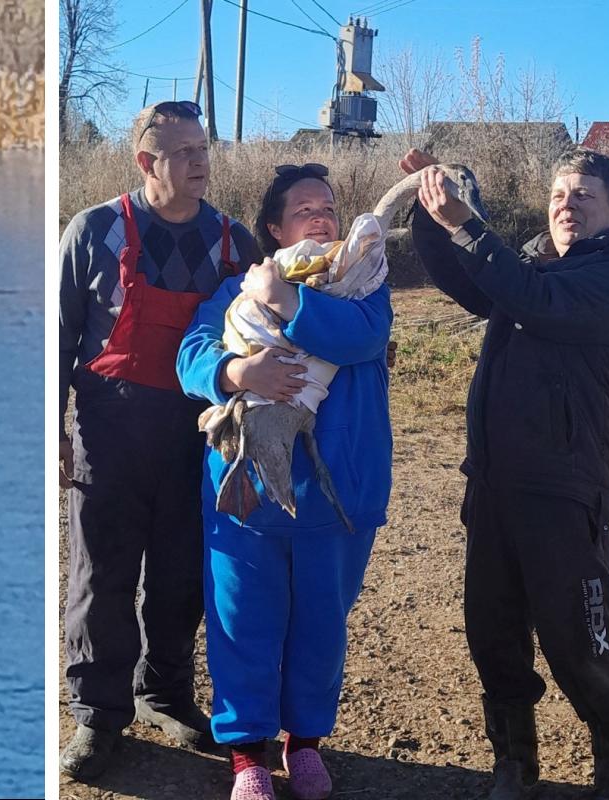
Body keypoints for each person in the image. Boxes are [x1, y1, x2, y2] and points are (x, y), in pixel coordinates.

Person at [405, 146, 609, 800]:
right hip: (495, 483)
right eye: (559, 195)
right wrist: (433, 213)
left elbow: (534, 299)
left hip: (567, 489)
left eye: (583, 196)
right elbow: (471, 282)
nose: (565, 206)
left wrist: (471, 225)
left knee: (578, 639)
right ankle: (515, 762)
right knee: (493, 632)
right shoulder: (535, 261)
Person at [58, 100, 262, 779]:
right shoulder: (94, 231)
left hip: (198, 437)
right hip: (108, 430)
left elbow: (267, 332)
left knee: (182, 578)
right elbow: (56, 338)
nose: (201, 162)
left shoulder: (236, 244)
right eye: (184, 153)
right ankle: (98, 715)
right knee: (103, 576)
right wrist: (48, 429)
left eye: (204, 149)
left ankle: (164, 694)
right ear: (148, 163)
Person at [176, 163, 393, 800]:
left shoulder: (362, 286)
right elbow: (192, 350)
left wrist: (288, 301)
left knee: (322, 624)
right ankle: (247, 755)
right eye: (304, 210)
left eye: (328, 207)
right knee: (243, 619)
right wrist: (239, 373)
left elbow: (364, 337)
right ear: (274, 228)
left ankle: (304, 744)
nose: (321, 217)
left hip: (338, 494)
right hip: (246, 494)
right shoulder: (236, 292)